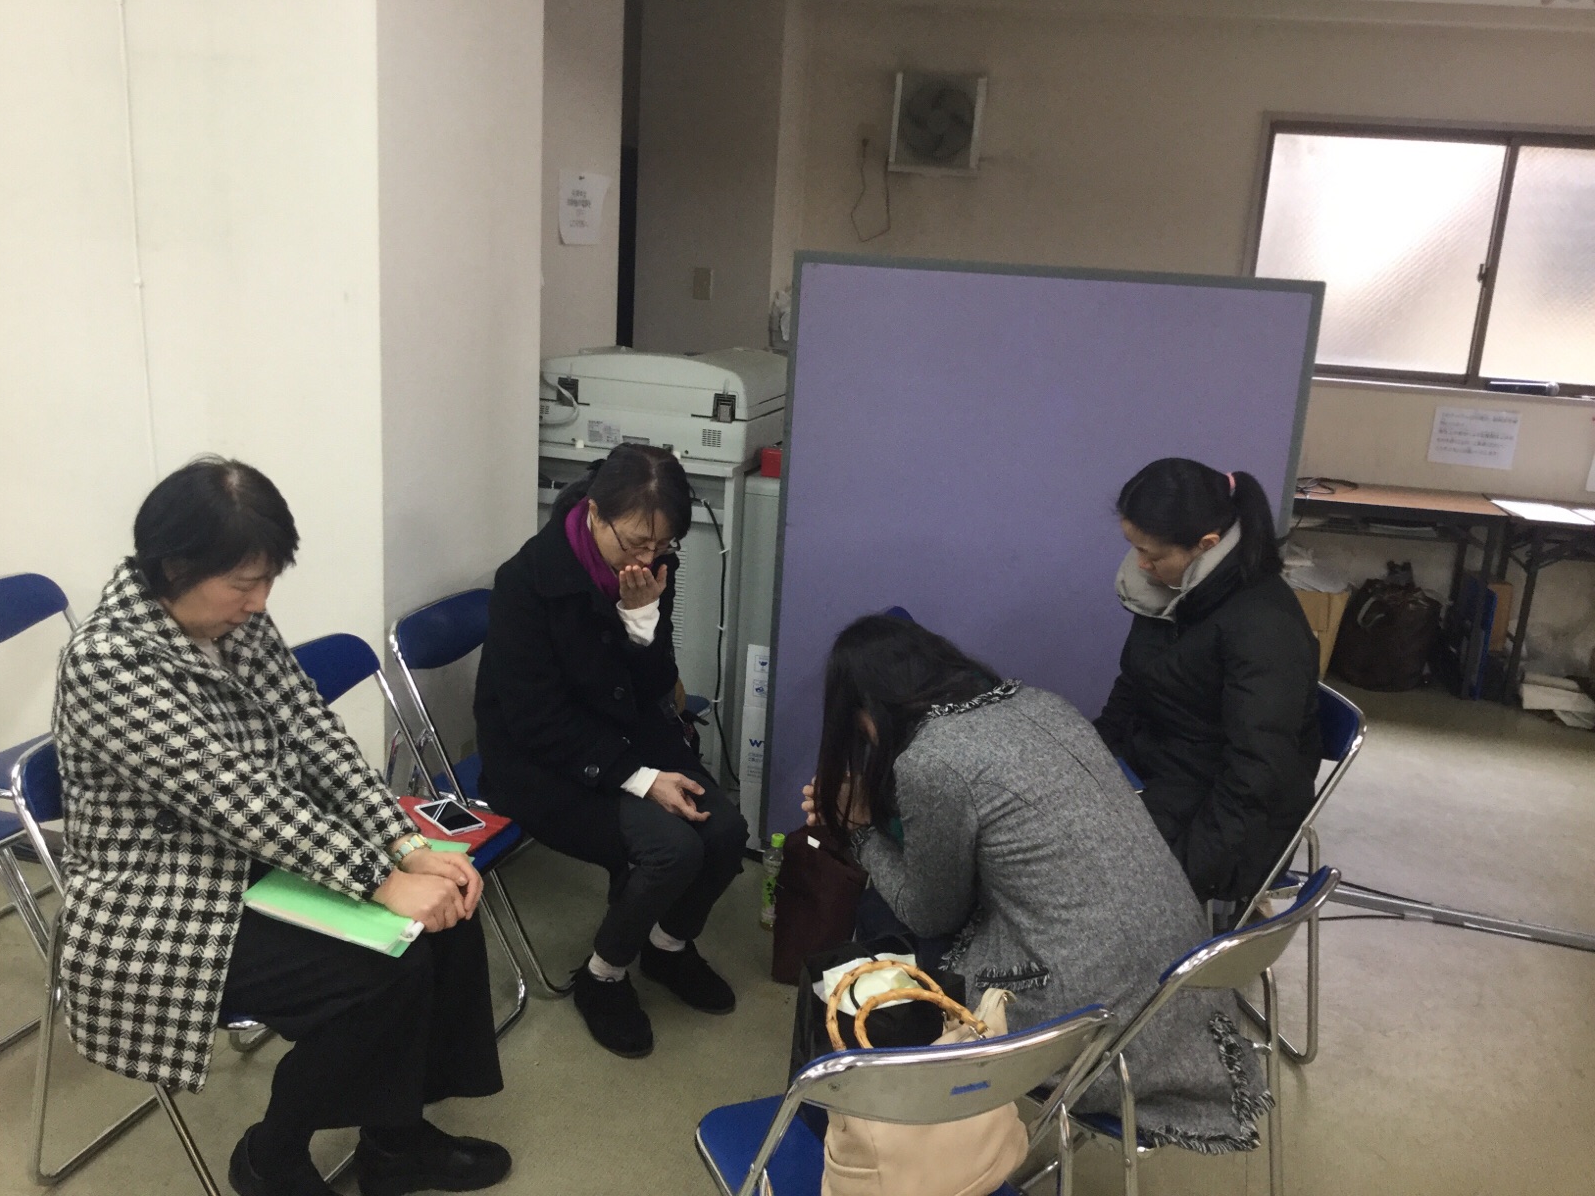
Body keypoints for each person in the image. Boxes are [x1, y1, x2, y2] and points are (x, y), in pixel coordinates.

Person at [51, 458, 510, 1196]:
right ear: (176, 567)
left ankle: (394, 1139)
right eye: (244, 583)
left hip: (262, 856)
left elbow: (311, 733)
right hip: (163, 899)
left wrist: (406, 846)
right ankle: (272, 1154)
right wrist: (378, 878)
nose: (259, 601)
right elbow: (232, 794)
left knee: (447, 915)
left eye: (267, 581)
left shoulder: (236, 624)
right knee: (379, 976)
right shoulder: (108, 661)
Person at [804, 614, 1270, 1149]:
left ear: (867, 713)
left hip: (1093, 1018)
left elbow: (931, 913)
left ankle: (895, 1123)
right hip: (1181, 987)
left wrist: (860, 829)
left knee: (883, 920)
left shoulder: (931, 760)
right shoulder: (1043, 704)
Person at [474, 444, 748, 1060]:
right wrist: (641, 778)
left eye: (663, 545)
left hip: (629, 736)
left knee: (726, 830)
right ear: (595, 513)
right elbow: (535, 719)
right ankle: (602, 977)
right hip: (541, 762)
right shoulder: (526, 582)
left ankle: (667, 949)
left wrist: (642, 620)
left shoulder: (650, 570)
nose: (647, 559)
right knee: (672, 849)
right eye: (635, 543)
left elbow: (654, 688)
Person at [1096, 458, 1322, 907]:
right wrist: (1087, 759)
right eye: (1134, 548)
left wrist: (1184, 873)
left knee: (1074, 875)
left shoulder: (1264, 627)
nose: (1141, 565)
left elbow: (1258, 774)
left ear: (1206, 545)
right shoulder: (1174, 590)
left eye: (1153, 555)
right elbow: (1134, 685)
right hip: (1165, 769)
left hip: (1228, 817)